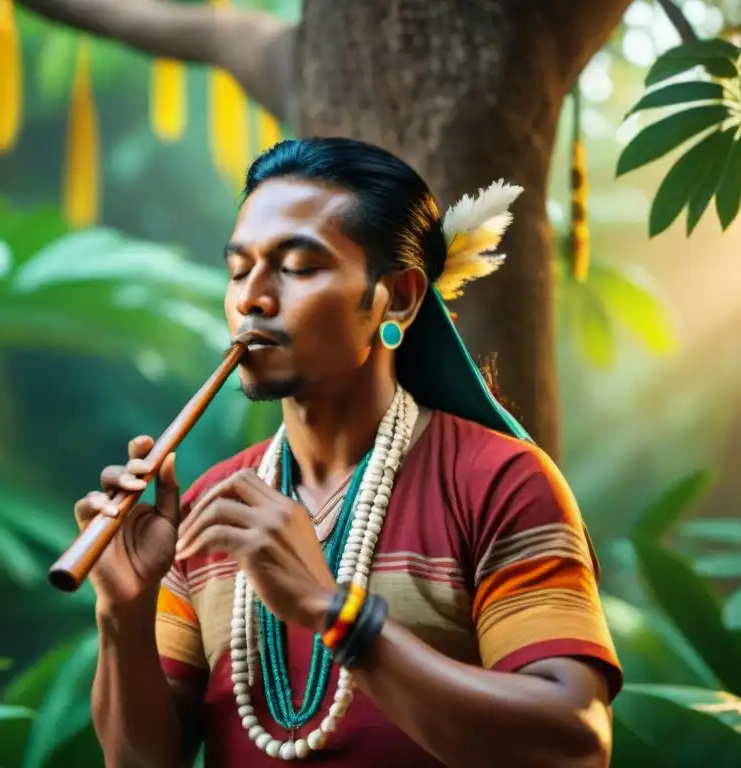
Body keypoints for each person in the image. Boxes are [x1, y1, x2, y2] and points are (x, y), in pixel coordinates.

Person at [74, 137, 622, 767]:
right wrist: (122, 611)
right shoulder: (207, 513)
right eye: (237, 269)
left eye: (299, 267)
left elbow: (575, 748)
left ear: (400, 298)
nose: (251, 297)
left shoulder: (499, 482)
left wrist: (334, 611)